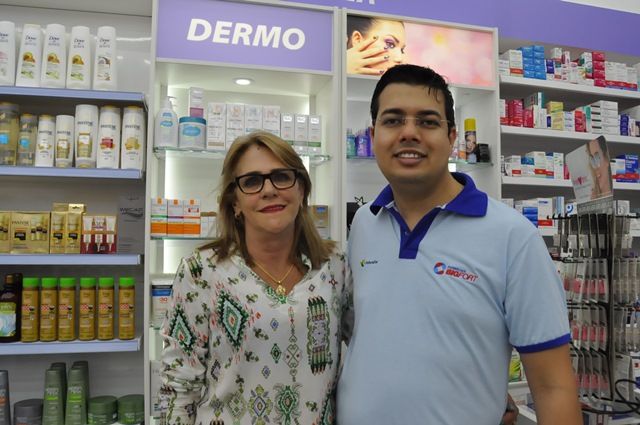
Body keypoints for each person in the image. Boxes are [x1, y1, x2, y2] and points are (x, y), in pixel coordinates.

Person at [336, 64, 582, 424]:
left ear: (452, 137)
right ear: (374, 136)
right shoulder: (364, 223)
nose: (409, 133)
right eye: (393, 120)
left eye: (427, 121)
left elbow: (553, 387)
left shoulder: (513, 237)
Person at [160, 131, 351, 425]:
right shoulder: (201, 272)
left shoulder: (335, 267)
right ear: (234, 202)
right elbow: (179, 389)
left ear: (301, 189)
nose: (269, 190)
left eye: (282, 176)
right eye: (251, 182)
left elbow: (368, 352)